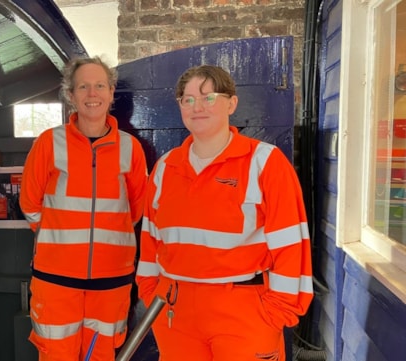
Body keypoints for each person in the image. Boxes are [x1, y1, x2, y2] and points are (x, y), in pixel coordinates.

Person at [135, 65, 313, 361]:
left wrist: (277, 311)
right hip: (174, 311)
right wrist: (150, 290)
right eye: (188, 99)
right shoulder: (166, 167)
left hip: (245, 310)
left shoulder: (264, 162)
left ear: (231, 103)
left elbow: (291, 244)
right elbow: (150, 239)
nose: (197, 107)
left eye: (208, 97)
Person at [19, 56, 148, 361]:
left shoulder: (131, 148)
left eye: (100, 85)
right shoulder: (49, 143)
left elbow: (137, 210)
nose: (93, 94)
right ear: (71, 94)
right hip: (55, 283)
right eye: (84, 87)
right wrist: (61, 243)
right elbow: (30, 205)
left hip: (111, 284)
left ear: (111, 91)